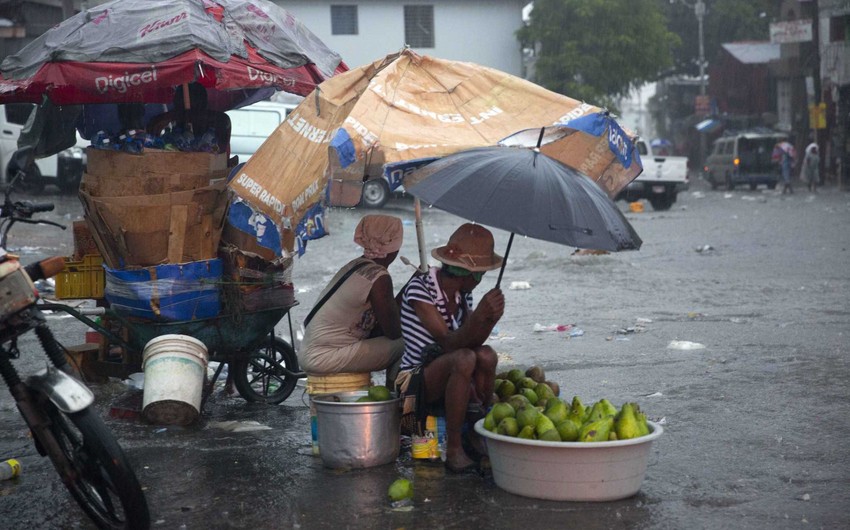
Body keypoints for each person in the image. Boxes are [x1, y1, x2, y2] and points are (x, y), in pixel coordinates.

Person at [395, 223, 505, 473]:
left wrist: (490, 319)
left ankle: (477, 429)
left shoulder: (463, 295)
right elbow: (448, 342)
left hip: (446, 369)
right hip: (412, 382)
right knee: (464, 359)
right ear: (470, 274)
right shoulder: (420, 288)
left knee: (487, 356)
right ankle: (454, 447)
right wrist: (479, 318)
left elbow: (473, 342)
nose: (481, 280)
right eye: (481, 274)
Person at [298, 215, 405, 385]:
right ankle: (398, 396)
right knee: (407, 344)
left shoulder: (356, 265)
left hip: (311, 351)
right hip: (324, 357)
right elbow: (393, 332)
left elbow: (380, 326)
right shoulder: (378, 277)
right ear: (393, 246)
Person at [146, 82, 231, 155]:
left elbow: (223, 121)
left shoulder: (219, 124)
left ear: (204, 105)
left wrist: (175, 115)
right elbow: (151, 133)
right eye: (178, 106)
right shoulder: (174, 132)